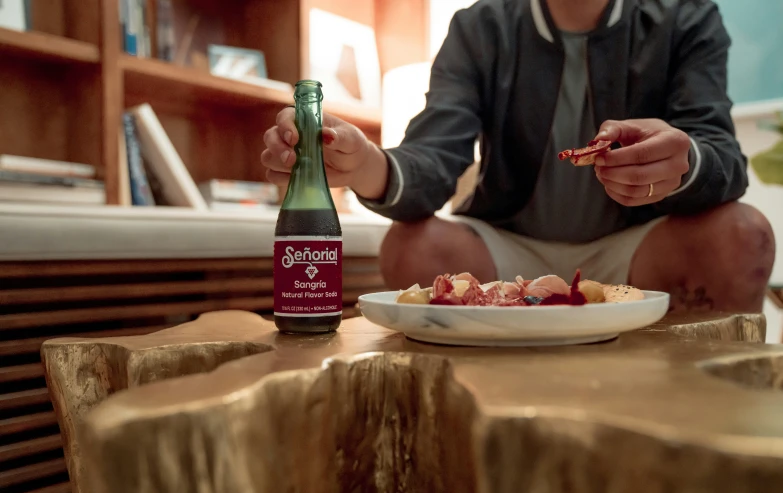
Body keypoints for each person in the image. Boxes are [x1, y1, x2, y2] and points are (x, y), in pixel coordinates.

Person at [262, 0, 775, 313]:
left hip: (638, 250)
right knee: (409, 249)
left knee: (742, 238)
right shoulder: (479, 28)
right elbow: (434, 155)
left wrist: (682, 162)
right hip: (509, 251)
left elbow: (721, 154)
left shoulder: (688, 17)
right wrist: (364, 164)